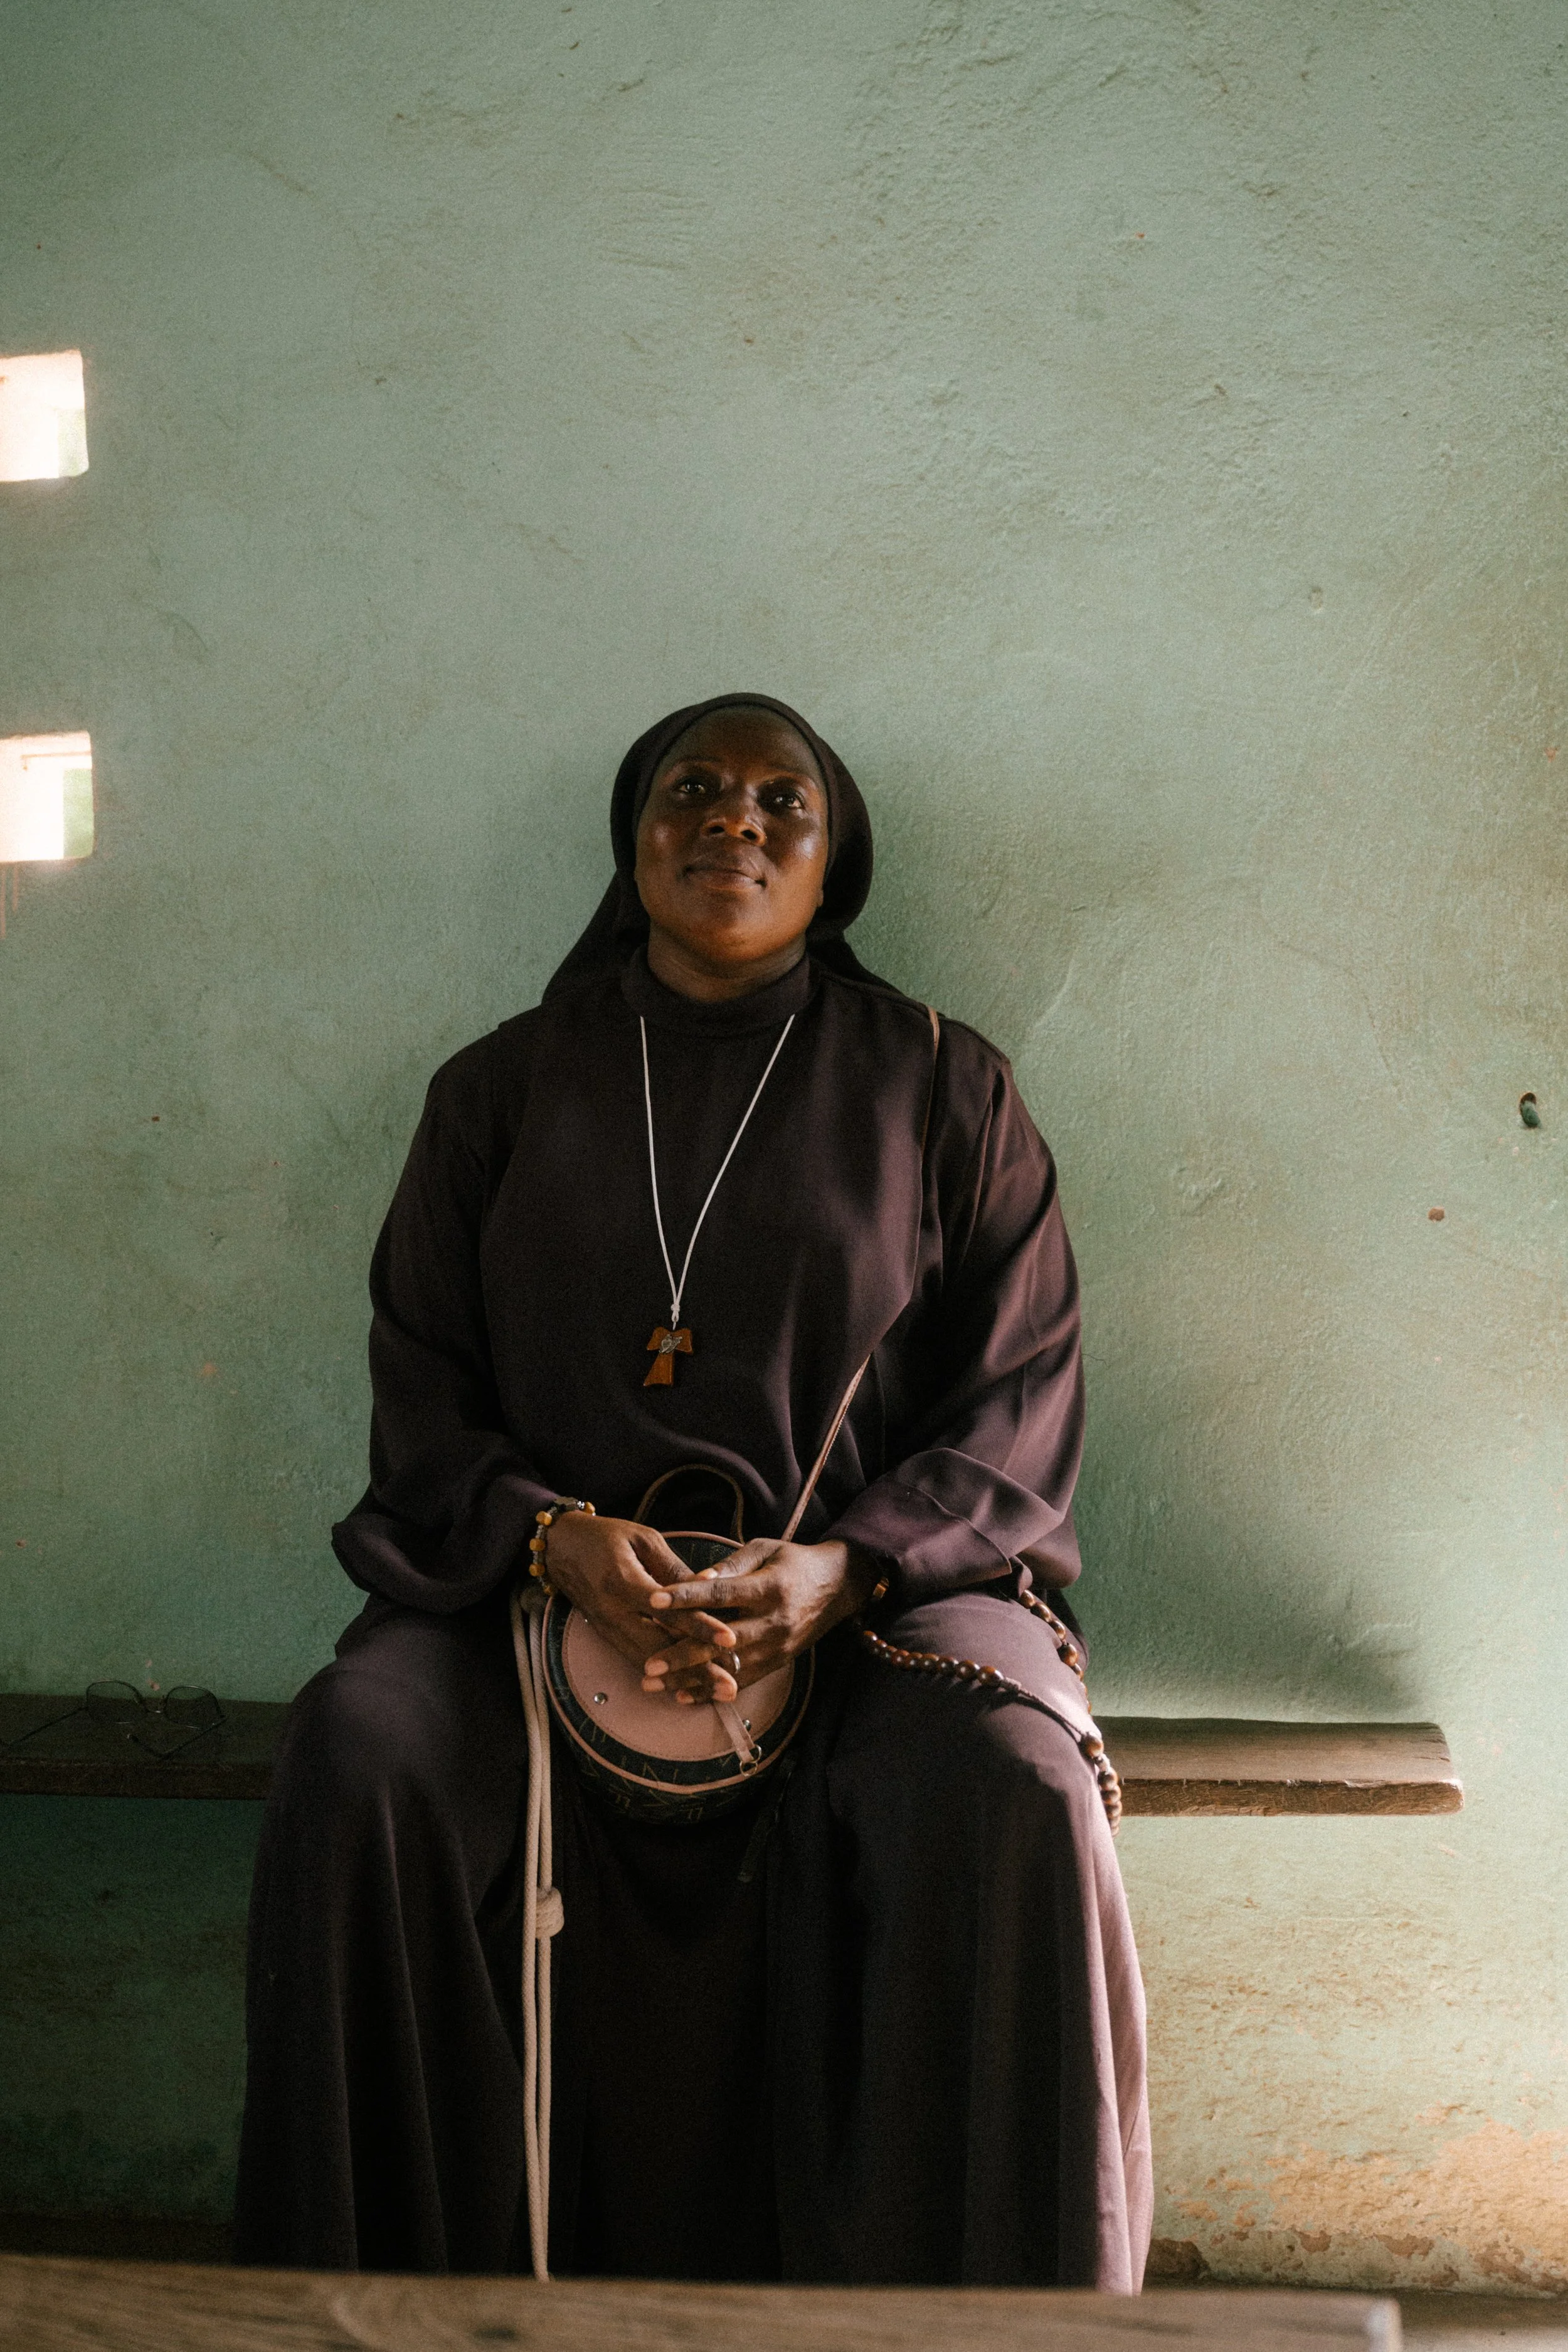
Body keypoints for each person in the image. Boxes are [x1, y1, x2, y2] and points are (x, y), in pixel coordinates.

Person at [233, 694, 1151, 2287]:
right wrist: (551, 1537)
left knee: (1019, 1785)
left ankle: (1001, 2325)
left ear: (831, 867)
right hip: (528, 1587)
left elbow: (1017, 1397)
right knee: (357, 1752)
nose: (732, 822)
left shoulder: (945, 1087)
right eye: (692, 791)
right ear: (632, 838)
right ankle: (375, 2307)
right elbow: (423, 1386)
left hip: (873, 1595)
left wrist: (840, 1570)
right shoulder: (498, 1091)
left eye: (778, 804)